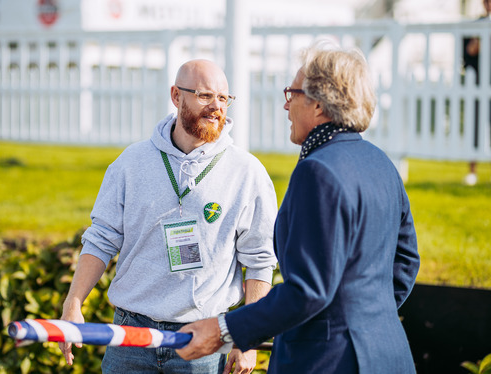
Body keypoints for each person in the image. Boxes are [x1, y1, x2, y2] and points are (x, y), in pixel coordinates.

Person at [176, 40, 421, 373]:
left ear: (318, 105)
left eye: (292, 94)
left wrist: (224, 329)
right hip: (388, 353)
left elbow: (309, 290)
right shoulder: (381, 163)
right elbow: (405, 261)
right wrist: (365, 318)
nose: (286, 107)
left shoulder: (317, 170)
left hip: (329, 361)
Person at [58, 59, 278, 374]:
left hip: (204, 339)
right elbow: (101, 238)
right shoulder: (131, 163)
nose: (216, 106)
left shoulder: (246, 172)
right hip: (130, 336)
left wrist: (248, 339)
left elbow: (259, 259)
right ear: (176, 96)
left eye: (223, 98)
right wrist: (74, 302)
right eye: (205, 96)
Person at [462, 0, 491, 185]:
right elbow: (468, 54)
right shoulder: (474, 27)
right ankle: (472, 171)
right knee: (475, 127)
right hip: (479, 83)